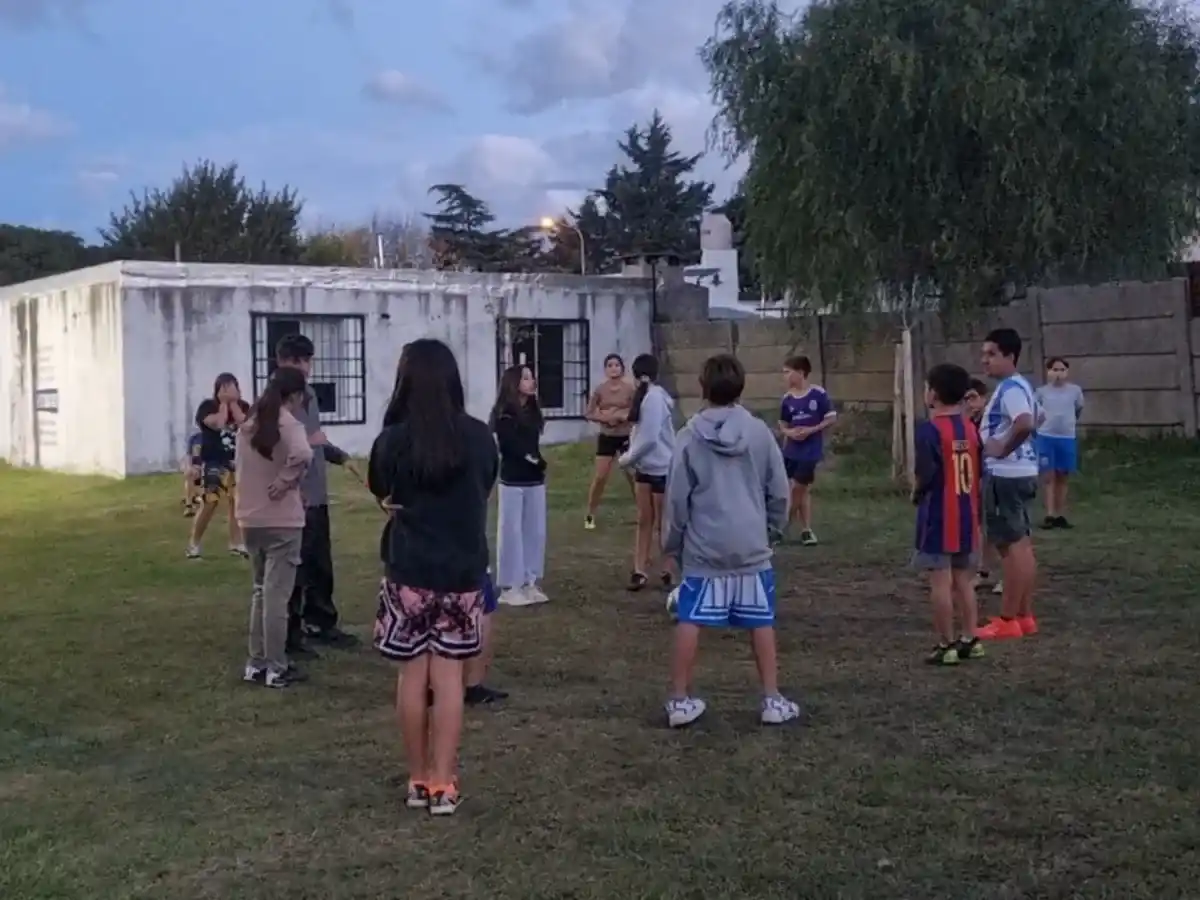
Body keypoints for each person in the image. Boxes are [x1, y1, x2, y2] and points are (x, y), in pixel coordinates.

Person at [368, 338, 498, 816]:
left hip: (409, 570)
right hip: (461, 572)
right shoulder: (479, 436)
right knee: (448, 677)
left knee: (412, 675)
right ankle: (444, 782)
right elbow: (485, 485)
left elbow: (381, 488)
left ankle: (418, 778)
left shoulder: (393, 440)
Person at [661, 353, 800, 728]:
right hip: (751, 543)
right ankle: (772, 699)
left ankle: (679, 700)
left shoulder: (688, 437)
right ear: (741, 386)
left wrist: (671, 546)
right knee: (761, 619)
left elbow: (676, 499)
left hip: (704, 546)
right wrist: (773, 528)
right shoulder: (758, 432)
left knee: (691, 617)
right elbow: (778, 488)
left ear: (702, 387)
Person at [275, 333, 362, 657]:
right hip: (294, 495)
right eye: (304, 361)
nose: (308, 368)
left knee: (319, 563)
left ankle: (321, 621)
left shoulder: (307, 395)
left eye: (309, 361)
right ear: (289, 362)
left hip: (316, 492)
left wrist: (339, 456)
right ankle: (290, 633)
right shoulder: (276, 400)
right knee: (295, 569)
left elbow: (316, 439)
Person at [235, 366, 314, 688]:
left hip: (250, 518)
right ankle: (276, 667)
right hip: (282, 520)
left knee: (259, 592)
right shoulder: (288, 423)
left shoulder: (249, 423)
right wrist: (285, 481)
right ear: (294, 396)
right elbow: (303, 453)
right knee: (277, 596)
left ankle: (256, 662)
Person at [911, 363, 984, 666]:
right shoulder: (971, 428)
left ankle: (946, 644)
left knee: (940, 583)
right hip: (967, 515)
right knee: (964, 581)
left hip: (940, 517)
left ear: (934, 394)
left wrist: (915, 492)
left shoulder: (929, 430)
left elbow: (927, 475)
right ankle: (971, 638)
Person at [976, 328, 1039, 641]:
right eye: (984, 354)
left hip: (1006, 474)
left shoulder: (1010, 389)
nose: (984, 360)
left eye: (991, 354)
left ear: (1010, 357)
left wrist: (1003, 447)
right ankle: (1024, 616)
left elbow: (1025, 422)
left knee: (1009, 548)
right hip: (1022, 472)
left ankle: (1007, 619)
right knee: (1022, 544)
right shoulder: (1022, 386)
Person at [491, 364, 549, 607]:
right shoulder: (504, 414)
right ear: (514, 383)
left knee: (535, 531)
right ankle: (509, 586)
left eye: (532, 377)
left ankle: (530, 581)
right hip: (513, 478)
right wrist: (531, 459)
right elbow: (510, 447)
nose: (531, 381)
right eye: (526, 378)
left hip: (534, 479)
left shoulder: (534, 413)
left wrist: (537, 463)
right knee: (511, 532)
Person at [618, 354, 677, 591]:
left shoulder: (655, 399)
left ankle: (668, 569)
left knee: (664, 522)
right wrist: (633, 458)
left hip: (662, 468)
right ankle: (639, 569)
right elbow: (639, 433)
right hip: (644, 468)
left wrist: (626, 458)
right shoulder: (643, 397)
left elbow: (650, 438)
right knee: (644, 520)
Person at [186, 373, 250, 559]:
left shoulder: (244, 406)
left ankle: (236, 543)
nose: (229, 391)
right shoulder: (208, 407)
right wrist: (223, 404)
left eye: (232, 387)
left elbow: (245, 424)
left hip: (237, 461)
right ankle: (194, 543)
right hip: (214, 461)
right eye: (224, 387)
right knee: (211, 500)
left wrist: (234, 404)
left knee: (236, 502)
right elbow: (218, 423)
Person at [778, 355, 836, 546]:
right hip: (791, 451)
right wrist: (791, 433)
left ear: (801, 372)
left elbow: (830, 418)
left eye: (787, 372)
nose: (784, 376)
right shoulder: (787, 399)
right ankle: (806, 531)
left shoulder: (818, 394)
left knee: (798, 488)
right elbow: (783, 424)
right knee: (801, 491)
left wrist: (811, 430)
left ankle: (780, 528)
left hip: (810, 451)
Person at [583, 353, 635, 529]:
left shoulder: (630, 389)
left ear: (622, 368)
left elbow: (637, 412)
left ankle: (643, 512)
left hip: (626, 436)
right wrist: (604, 418)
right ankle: (590, 515)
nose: (613, 368)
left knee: (633, 476)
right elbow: (589, 413)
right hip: (607, 437)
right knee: (600, 476)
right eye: (610, 365)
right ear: (605, 369)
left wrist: (621, 416)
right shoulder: (599, 390)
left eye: (616, 365)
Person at [1035, 357, 1084, 528]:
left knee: (1063, 475)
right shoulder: (1041, 392)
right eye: (1054, 370)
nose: (1058, 373)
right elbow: (1036, 412)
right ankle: (1049, 514)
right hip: (1046, 437)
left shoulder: (1075, 391)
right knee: (1048, 476)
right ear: (1048, 372)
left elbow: (1078, 409)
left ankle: (1060, 513)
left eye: (1062, 370)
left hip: (1067, 437)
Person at [965, 378, 1001, 593]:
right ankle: (983, 571)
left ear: (984, 398)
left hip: (994, 477)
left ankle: (1007, 575)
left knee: (999, 528)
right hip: (973, 479)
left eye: (973, 397)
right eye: (965, 399)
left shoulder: (991, 421)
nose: (969, 403)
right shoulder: (967, 422)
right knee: (980, 528)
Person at [181, 430, 203, 517]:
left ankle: (195, 496)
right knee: (189, 473)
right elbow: (188, 455)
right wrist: (190, 467)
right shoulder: (194, 438)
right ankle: (189, 505)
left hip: (208, 466)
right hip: (195, 466)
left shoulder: (214, 438)